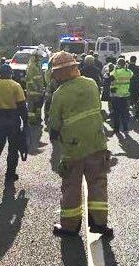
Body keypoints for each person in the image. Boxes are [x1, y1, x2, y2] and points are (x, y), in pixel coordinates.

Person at [48, 51, 113, 237]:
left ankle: (69, 227)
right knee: (98, 185)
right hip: (97, 144)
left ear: (59, 73)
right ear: (75, 68)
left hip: (73, 150)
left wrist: (56, 135)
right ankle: (99, 224)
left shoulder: (59, 94)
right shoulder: (91, 84)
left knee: (71, 188)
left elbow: (54, 124)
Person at [0, 64, 28, 184]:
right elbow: (22, 107)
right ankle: (10, 175)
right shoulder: (15, 86)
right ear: (10, 73)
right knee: (13, 149)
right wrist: (26, 123)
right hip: (13, 122)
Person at [109, 58, 133, 133]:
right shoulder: (128, 72)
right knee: (124, 112)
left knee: (116, 113)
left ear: (118, 64)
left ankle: (116, 129)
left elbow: (109, 77)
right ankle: (125, 128)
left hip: (116, 95)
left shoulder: (115, 72)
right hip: (125, 95)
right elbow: (131, 75)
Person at [25, 49, 45, 125]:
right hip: (32, 90)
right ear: (35, 57)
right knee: (31, 106)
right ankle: (32, 121)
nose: (40, 58)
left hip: (38, 90)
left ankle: (37, 118)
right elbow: (30, 80)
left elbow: (39, 77)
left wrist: (41, 88)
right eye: (39, 57)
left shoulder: (37, 64)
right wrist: (36, 88)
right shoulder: (32, 66)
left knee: (38, 105)